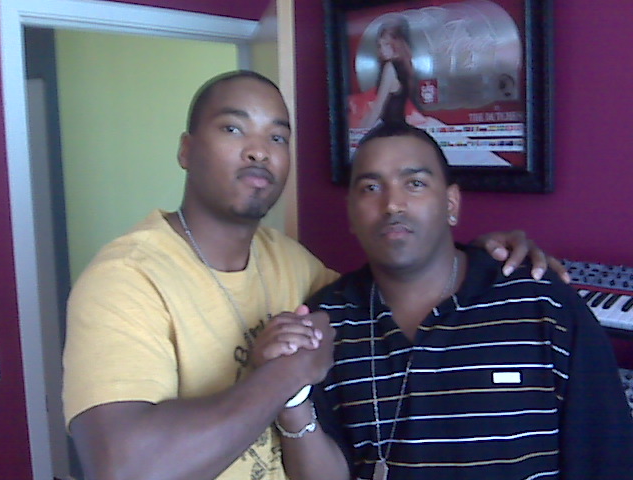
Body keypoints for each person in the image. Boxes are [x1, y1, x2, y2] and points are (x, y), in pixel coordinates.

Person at [62, 71, 568, 480]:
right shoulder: (127, 279)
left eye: (277, 136)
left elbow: (393, 283)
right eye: (234, 129)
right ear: (186, 150)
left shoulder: (289, 262)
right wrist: (284, 375)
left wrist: (479, 259)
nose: (259, 150)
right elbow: (123, 468)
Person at [265, 122, 633, 480]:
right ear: (351, 213)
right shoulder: (327, 322)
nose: (392, 204)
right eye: (371, 187)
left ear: (451, 203)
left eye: (415, 183)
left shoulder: (543, 304)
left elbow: (607, 458)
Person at [359, 16, 426, 129]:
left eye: (386, 44)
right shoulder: (405, 66)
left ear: (396, 44)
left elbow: (378, 108)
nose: (382, 50)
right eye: (380, 46)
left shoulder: (390, 68)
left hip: (390, 129)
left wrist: (360, 133)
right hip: (399, 127)